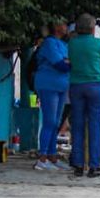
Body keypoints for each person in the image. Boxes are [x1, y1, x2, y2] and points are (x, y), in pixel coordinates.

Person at [67, 13, 100, 178]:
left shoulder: (72, 44)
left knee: (77, 125)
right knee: (94, 126)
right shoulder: (99, 44)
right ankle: (94, 166)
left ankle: (77, 165)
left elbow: (71, 61)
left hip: (76, 85)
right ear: (92, 29)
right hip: (95, 85)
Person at [34, 20, 72, 170]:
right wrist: (68, 62)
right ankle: (42, 157)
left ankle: (52, 155)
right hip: (48, 84)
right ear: (56, 27)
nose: (66, 27)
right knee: (50, 121)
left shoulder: (63, 44)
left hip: (61, 85)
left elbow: (68, 62)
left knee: (56, 122)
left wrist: (68, 62)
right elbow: (61, 65)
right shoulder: (50, 43)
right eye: (63, 24)